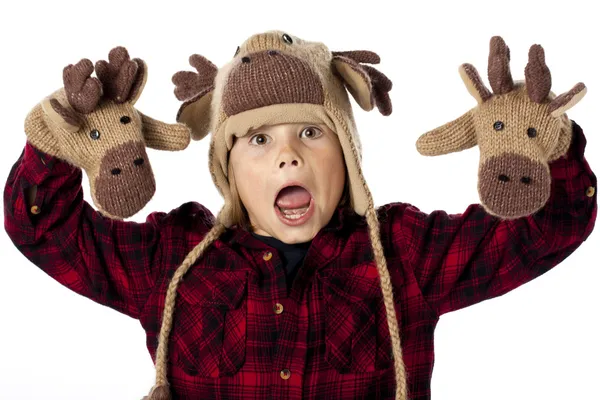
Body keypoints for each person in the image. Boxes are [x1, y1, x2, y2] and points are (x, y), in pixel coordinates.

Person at [4, 30, 597, 400]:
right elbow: (43, 227)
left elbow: (551, 228)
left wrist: (545, 143)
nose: (288, 153)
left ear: (347, 155)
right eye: (257, 140)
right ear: (228, 168)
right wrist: (60, 139)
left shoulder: (405, 253)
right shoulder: (172, 259)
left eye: (312, 132)